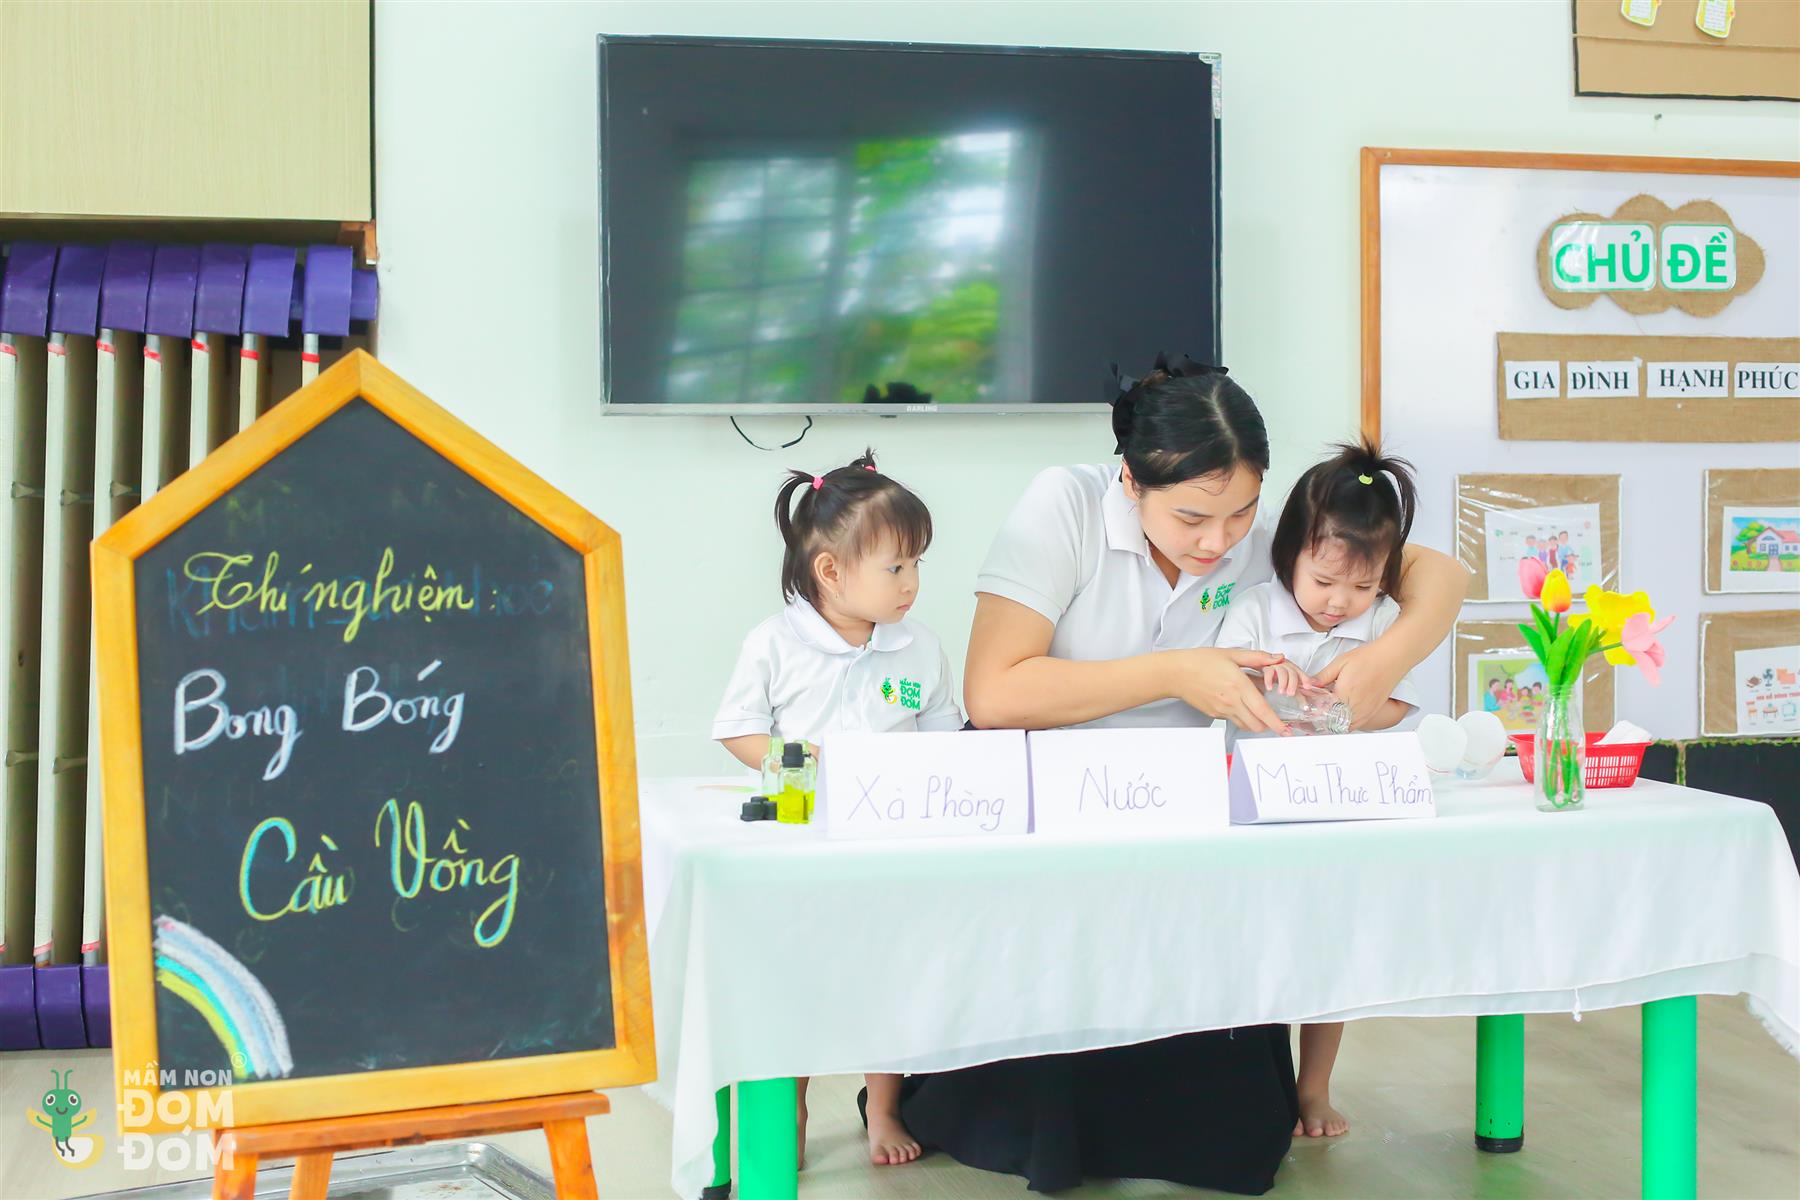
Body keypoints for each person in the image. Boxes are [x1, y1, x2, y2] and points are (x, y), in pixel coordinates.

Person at [897, 357, 1468, 1194]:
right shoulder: (1065, 505)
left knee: (1234, 1135)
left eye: (1241, 513)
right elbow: (995, 691)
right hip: (1059, 815)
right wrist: (1175, 672)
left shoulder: (1258, 528)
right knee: (1054, 1071)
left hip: (1194, 817)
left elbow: (1442, 575)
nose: (1218, 541)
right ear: (1132, 480)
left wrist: (1384, 660)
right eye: (1193, 517)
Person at [713, 449, 962, 1168]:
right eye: (895, 567)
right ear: (830, 571)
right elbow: (736, 729)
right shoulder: (776, 643)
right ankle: (789, 1105)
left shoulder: (919, 647)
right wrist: (805, 765)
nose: (912, 583)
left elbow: (945, 736)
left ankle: (882, 1107)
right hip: (803, 845)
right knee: (800, 980)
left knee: (888, 977)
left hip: (890, 846)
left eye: (917, 564)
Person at [1216, 438, 1425, 1139]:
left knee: (1328, 952)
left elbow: (1401, 710)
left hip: (1339, 814)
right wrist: (1263, 682)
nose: (1341, 604)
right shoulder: (1253, 611)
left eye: (1363, 588)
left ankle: (1314, 1087)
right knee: (1259, 947)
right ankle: (1257, 1080)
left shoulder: (1384, 626)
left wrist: (1348, 705)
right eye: (1325, 582)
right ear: (1288, 558)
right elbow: (1218, 691)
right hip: (1256, 816)